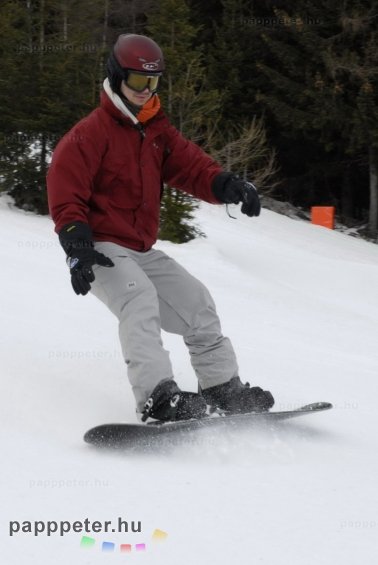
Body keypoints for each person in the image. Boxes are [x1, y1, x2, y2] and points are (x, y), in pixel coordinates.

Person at [47, 33, 274, 423]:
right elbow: (65, 190)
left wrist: (227, 185)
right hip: (99, 246)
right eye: (138, 81)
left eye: (153, 82)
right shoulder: (90, 133)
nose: (145, 91)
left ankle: (220, 386)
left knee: (197, 302)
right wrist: (76, 245)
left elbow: (191, 166)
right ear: (117, 77)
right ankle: (157, 398)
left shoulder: (155, 130)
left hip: (139, 248)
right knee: (138, 300)